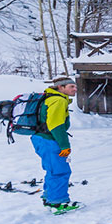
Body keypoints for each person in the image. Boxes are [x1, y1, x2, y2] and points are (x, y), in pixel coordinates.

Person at [33, 77, 81, 213]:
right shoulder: (58, 100)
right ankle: (58, 203)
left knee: (52, 169)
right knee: (60, 171)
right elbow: (56, 125)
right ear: (60, 87)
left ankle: (49, 197)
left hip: (41, 138)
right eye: (71, 86)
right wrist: (64, 145)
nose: (75, 89)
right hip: (49, 140)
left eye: (75, 87)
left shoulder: (51, 98)